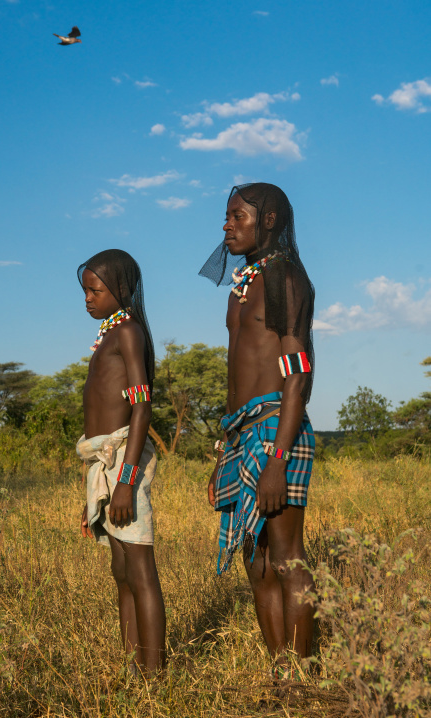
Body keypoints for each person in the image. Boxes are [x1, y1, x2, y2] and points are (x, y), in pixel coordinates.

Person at [200, 183, 316, 669]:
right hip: (240, 433)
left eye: (237, 216)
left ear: (267, 221)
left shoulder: (285, 277)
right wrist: (225, 451)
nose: (227, 225)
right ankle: (281, 668)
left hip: (275, 430)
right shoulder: (244, 283)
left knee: (287, 557)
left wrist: (277, 459)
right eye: (226, 216)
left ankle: (305, 671)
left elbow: (299, 372)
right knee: (256, 561)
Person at [76, 249, 165, 675]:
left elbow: (141, 410)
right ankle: (133, 668)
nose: (88, 299)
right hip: (105, 464)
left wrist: (126, 481)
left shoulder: (128, 331)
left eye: (95, 290)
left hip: (124, 460)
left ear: (122, 291)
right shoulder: (109, 335)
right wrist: (95, 491)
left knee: (139, 568)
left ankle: (155, 673)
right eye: (85, 291)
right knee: (120, 568)